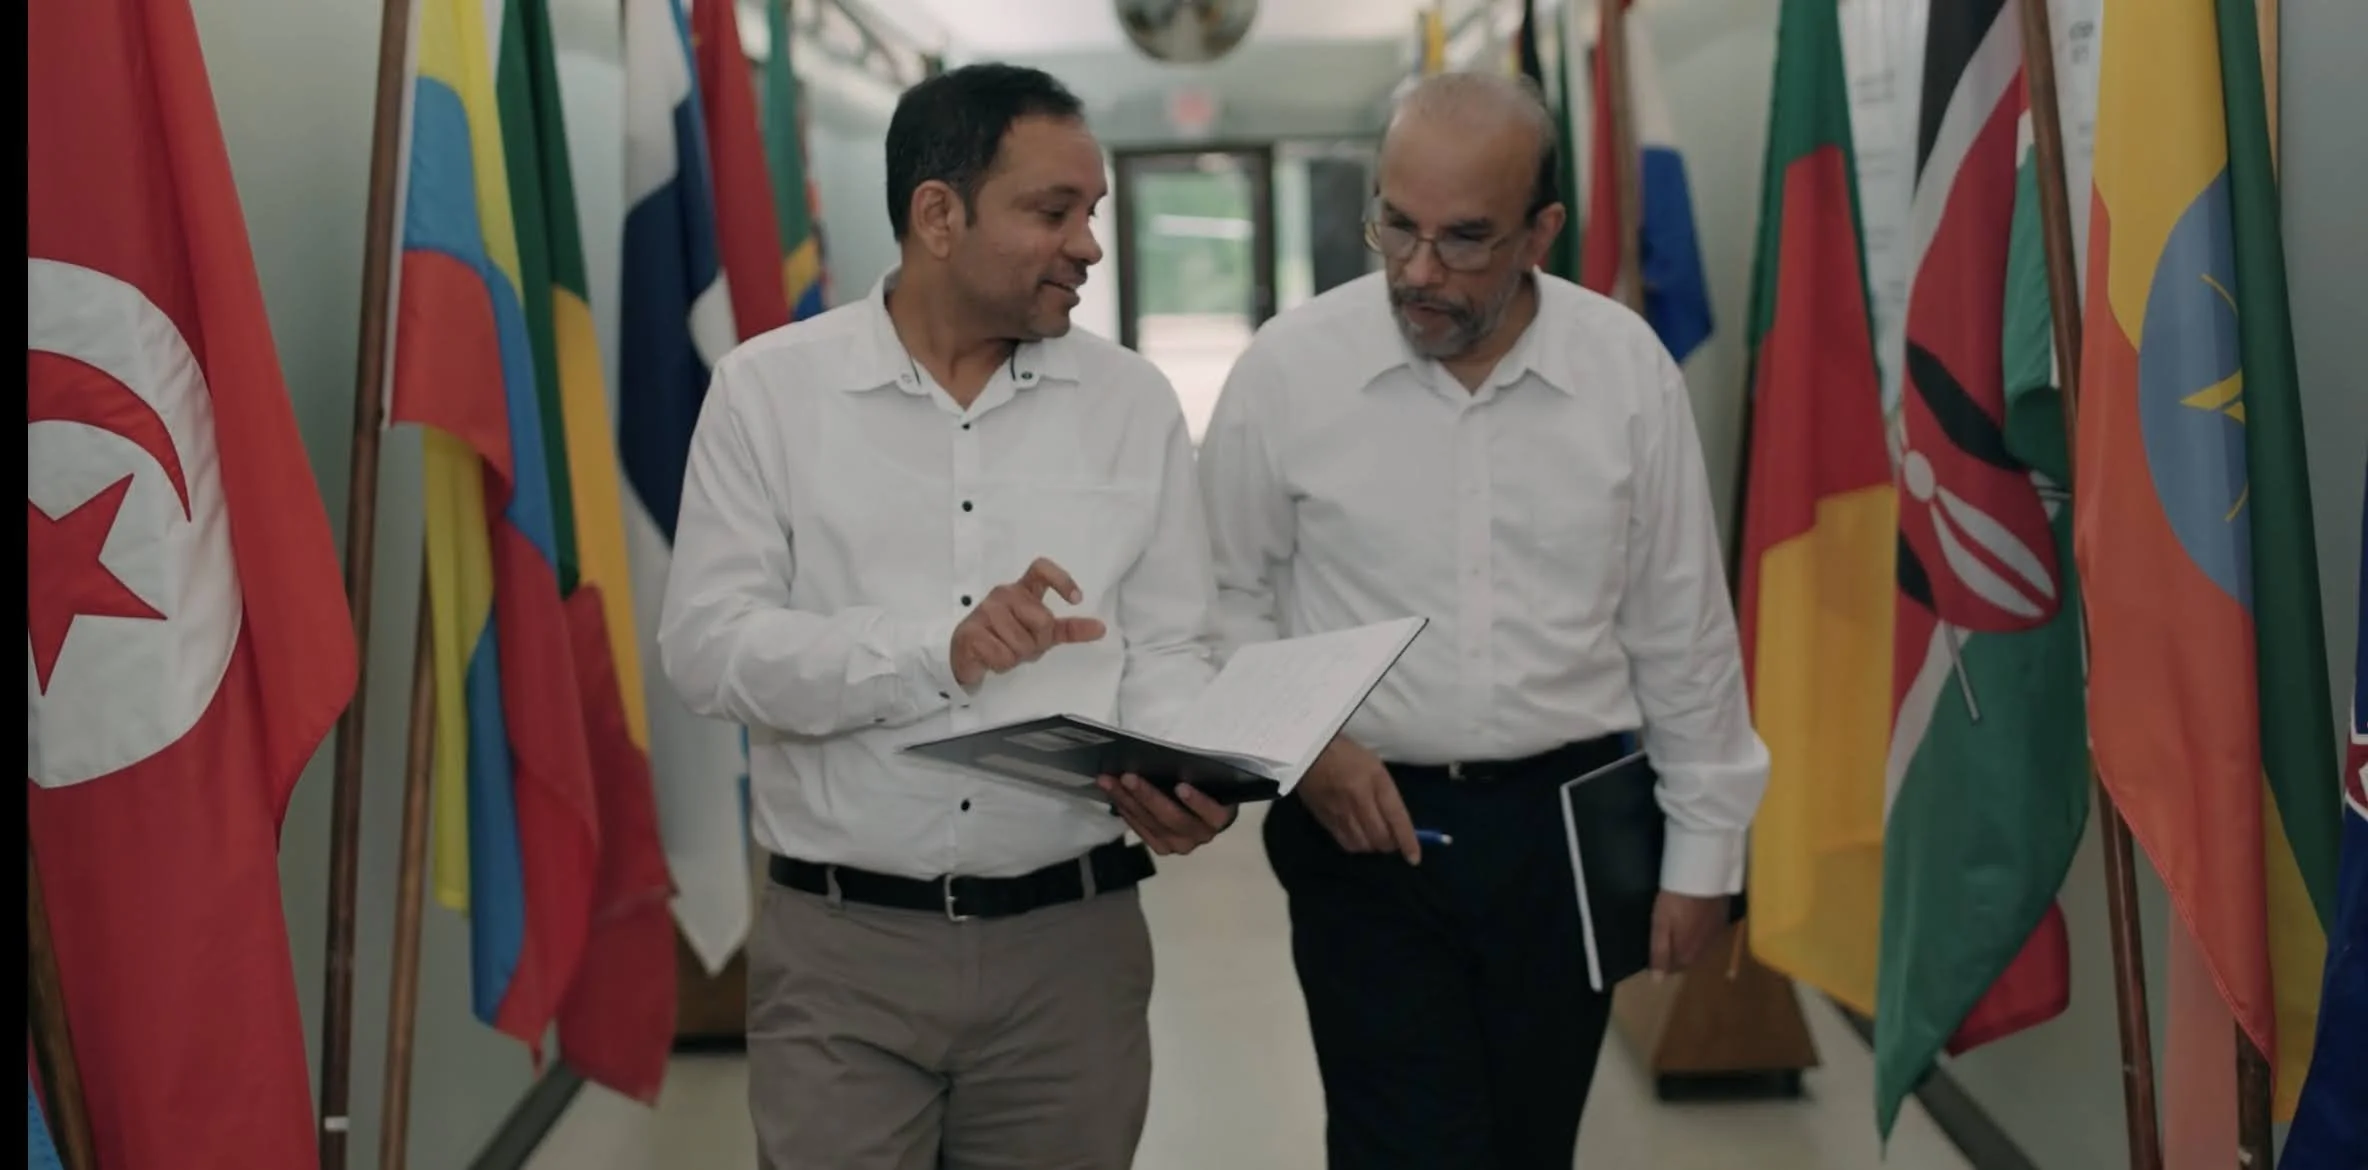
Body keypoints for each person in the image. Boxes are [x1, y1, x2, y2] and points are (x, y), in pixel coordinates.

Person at [656, 63, 1235, 1170]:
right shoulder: (766, 392)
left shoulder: (1130, 403)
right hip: (840, 957)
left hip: (1073, 955)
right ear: (937, 215)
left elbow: (1168, 645)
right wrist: (937, 649)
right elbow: (708, 651)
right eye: (1051, 211)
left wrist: (1183, 771)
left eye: (1094, 213)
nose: (1088, 246)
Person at [1196, 71, 1771, 1169]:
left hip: (1565, 834)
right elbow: (1217, 597)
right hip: (1362, 827)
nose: (1417, 271)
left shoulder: (1623, 372)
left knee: (1528, 1142)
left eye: (1464, 239)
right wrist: (1305, 745)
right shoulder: (1289, 370)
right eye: (1395, 226)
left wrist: (1705, 856)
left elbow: (1681, 626)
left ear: (1540, 231)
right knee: (1400, 1143)